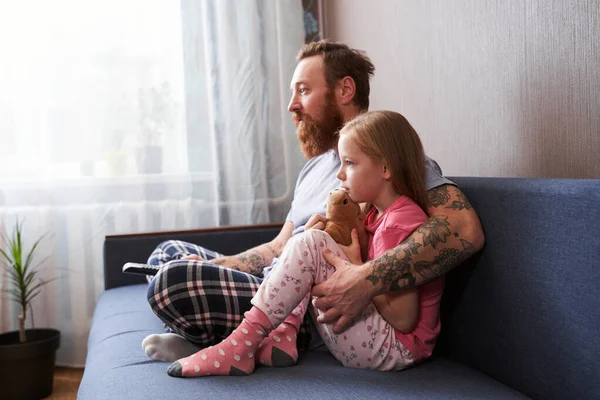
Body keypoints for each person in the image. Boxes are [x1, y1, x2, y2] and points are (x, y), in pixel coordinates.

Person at [142, 40, 484, 366]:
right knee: (166, 254)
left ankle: (226, 335)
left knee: (172, 284)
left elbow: (464, 229)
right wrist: (224, 265)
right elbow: (278, 247)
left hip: (314, 302)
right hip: (275, 279)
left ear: (344, 90)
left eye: (303, 90)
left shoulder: (393, 164)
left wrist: (366, 277)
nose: (292, 104)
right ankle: (215, 330)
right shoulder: (313, 169)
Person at [166, 110, 444, 377]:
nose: (340, 174)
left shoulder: (399, 222)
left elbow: (404, 319)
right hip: (380, 341)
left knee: (311, 242)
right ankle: (282, 334)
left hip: (395, 349)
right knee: (313, 238)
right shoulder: (375, 214)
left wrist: (355, 265)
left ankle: (241, 346)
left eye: (350, 163)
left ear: (385, 167)